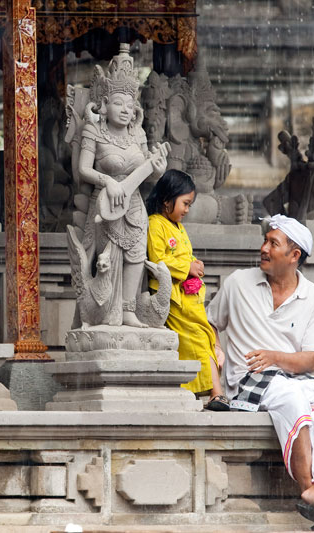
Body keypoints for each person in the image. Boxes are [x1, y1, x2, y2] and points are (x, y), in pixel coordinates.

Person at [206, 214, 314, 530]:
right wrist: (215, 348)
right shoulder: (238, 283)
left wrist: (274, 357)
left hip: (297, 378)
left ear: (294, 256)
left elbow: (310, 361)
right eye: (265, 240)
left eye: (273, 243)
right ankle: (308, 490)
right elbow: (208, 324)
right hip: (248, 382)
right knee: (294, 400)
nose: (263, 248)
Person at [74, 44, 167, 327]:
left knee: (137, 252)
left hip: (134, 204)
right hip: (106, 204)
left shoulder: (137, 133)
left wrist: (157, 171)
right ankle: (108, 312)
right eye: (118, 103)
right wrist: (106, 181)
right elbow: (82, 170)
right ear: (104, 105)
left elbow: (145, 172)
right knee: (111, 256)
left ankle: (128, 310)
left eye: (130, 104)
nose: (125, 110)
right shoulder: (94, 130)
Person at [145, 170, 228, 410]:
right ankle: (216, 393)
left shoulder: (178, 227)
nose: (187, 210)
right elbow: (157, 260)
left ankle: (211, 392)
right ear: (166, 199)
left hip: (189, 296)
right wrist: (186, 266)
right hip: (172, 297)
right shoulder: (155, 224)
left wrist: (195, 264)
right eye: (185, 203)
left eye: (189, 205)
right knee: (201, 337)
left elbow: (184, 256)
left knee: (207, 336)